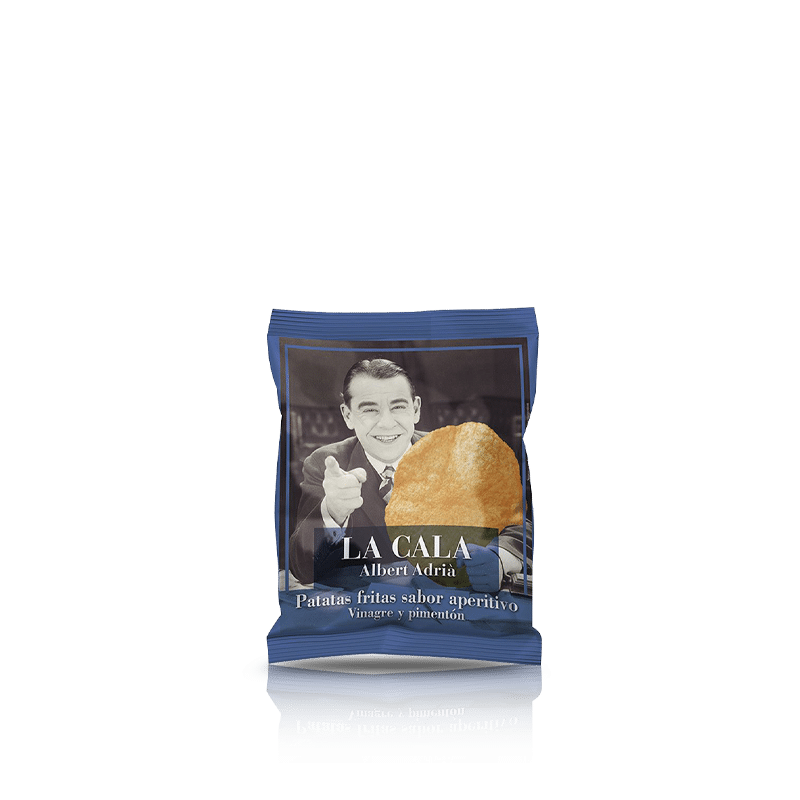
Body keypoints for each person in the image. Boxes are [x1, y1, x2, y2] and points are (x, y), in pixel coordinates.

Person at [289, 359, 533, 591]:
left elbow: (519, 527)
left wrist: (500, 558)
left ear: (415, 409)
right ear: (348, 415)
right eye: (369, 409)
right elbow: (302, 569)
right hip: (365, 610)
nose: (386, 423)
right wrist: (332, 511)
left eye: (398, 407)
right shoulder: (324, 465)